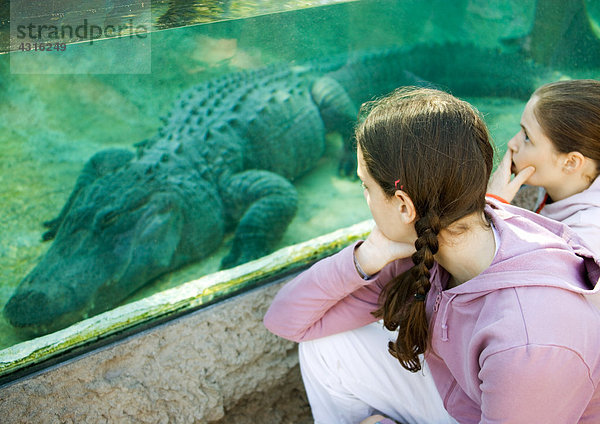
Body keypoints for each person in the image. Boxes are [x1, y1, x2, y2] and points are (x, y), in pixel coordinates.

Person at [263, 87, 600, 423]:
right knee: (327, 347)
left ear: (403, 205)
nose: (366, 198)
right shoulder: (435, 239)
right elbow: (285, 319)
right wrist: (366, 256)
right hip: (462, 395)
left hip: (503, 404)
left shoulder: (530, 344)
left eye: (366, 187)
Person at [487, 79, 600, 254]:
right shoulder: (556, 187)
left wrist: (493, 205)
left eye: (527, 137)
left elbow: (510, 273)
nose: (512, 143)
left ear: (571, 163)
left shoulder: (585, 237)